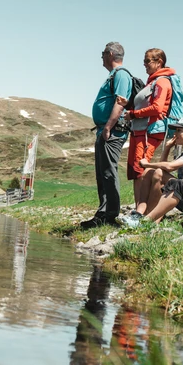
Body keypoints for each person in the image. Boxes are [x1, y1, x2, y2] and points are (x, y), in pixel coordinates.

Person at [79, 42, 133, 230]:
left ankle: (110, 214)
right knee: (102, 173)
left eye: (103, 54)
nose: (101, 57)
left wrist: (109, 126)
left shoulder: (121, 75)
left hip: (112, 130)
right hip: (104, 130)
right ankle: (102, 213)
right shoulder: (113, 75)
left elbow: (120, 102)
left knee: (109, 172)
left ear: (110, 54)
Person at [124, 116, 183, 225]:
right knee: (150, 172)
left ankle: (149, 220)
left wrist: (147, 164)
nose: (175, 133)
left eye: (179, 130)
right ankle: (140, 213)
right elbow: (162, 168)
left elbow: (169, 167)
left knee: (157, 173)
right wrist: (167, 148)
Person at [123, 49, 176, 213]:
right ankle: (137, 210)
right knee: (135, 171)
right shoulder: (152, 82)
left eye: (147, 61)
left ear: (159, 62)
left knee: (140, 170)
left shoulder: (161, 82)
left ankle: (142, 212)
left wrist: (133, 114)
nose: (144, 64)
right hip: (139, 131)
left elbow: (157, 108)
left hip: (148, 131)